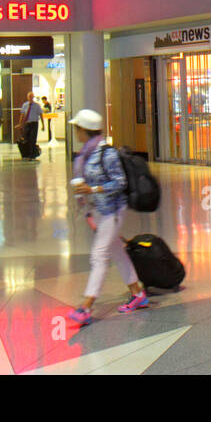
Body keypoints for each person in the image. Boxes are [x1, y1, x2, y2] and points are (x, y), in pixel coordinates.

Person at [66, 109, 147, 326]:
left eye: (77, 129)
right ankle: (138, 294)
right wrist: (88, 209)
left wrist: (93, 189)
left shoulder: (107, 154)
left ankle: (86, 307)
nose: (76, 133)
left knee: (99, 255)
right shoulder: (85, 155)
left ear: (85, 131)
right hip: (101, 212)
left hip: (113, 210)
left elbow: (120, 183)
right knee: (117, 253)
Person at [15, 90, 43, 157]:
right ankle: (26, 153)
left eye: (31, 96)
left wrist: (43, 124)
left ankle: (32, 153)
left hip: (34, 123)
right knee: (26, 138)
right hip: (27, 124)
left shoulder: (37, 105)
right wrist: (20, 124)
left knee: (33, 139)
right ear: (27, 97)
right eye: (29, 96)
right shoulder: (25, 105)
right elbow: (22, 115)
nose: (30, 98)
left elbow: (41, 114)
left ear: (33, 97)